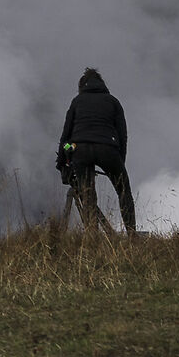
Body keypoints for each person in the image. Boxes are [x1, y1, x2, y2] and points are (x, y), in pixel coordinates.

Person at [58, 67, 137, 237]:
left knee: (88, 196)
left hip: (79, 149)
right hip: (108, 148)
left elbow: (65, 137)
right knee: (124, 192)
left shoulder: (76, 101)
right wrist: (119, 162)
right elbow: (122, 135)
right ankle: (131, 235)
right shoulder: (113, 102)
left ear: (82, 86)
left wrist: (63, 161)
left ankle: (92, 237)